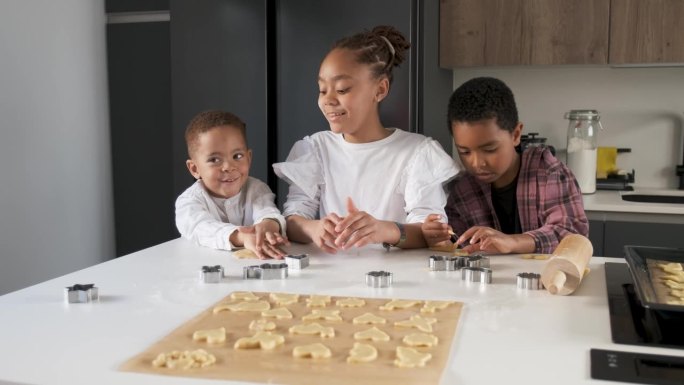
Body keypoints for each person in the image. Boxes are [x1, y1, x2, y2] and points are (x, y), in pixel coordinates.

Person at [273, 25, 459, 253]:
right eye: (322, 90)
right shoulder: (316, 148)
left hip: (398, 281)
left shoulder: (417, 152)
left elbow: (431, 232)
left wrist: (383, 230)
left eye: (342, 89)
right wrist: (313, 228)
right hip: (329, 280)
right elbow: (293, 219)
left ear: (380, 90)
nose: (328, 100)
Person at [423, 77, 588, 254]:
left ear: (516, 134)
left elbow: (573, 235)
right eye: (465, 152)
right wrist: (438, 237)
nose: (477, 163)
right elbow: (458, 246)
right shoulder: (462, 191)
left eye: (490, 149)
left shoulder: (551, 174)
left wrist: (512, 242)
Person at [175, 110, 288, 259]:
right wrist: (242, 237)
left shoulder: (256, 189)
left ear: (249, 158)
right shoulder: (188, 202)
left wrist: (268, 225)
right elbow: (201, 227)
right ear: (195, 169)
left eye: (237, 156)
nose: (228, 166)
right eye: (214, 160)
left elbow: (267, 211)